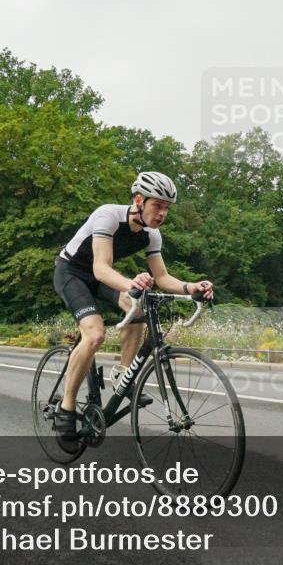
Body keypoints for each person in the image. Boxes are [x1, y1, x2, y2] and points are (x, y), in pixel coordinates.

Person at [52, 172, 214, 452]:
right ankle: (66, 409)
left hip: (101, 276)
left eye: (167, 208)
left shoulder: (151, 235)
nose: (163, 213)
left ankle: (122, 376)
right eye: (157, 206)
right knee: (94, 335)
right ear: (139, 200)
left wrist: (192, 287)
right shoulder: (108, 217)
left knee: (136, 305)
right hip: (72, 273)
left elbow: (162, 278)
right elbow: (100, 268)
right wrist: (131, 283)